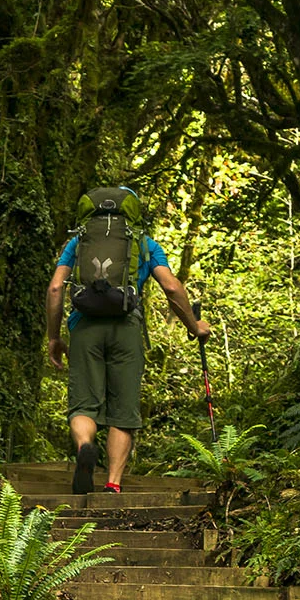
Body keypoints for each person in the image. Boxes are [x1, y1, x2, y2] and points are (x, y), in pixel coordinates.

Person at [45, 210, 212, 495]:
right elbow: (171, 287)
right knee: (122, 411)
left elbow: (55, 288)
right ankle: (112, 484)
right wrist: (194, 326)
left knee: (84, 405)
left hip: (85, 327)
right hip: (126, 328)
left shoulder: (79, 243)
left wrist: (54, 337)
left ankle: (86, 445)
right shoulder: (145, 244)